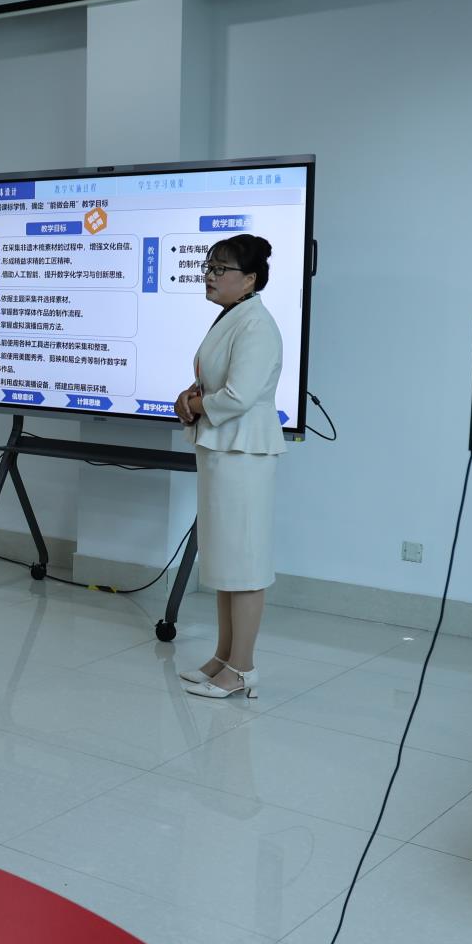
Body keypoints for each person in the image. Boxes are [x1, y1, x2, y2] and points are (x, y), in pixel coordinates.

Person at [175, 234, 286, 700]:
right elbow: (216, 382)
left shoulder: (257, 325)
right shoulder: (232, 316)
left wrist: (196, 404)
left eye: (221, 269)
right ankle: (223, 657)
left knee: (244, 563)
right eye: (209, 267)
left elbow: (239, 395)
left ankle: (242, 668)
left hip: (244, 455)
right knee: (225, 560)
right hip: (222, 450)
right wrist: (190, 398)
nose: (210, 276)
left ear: (250, 279)